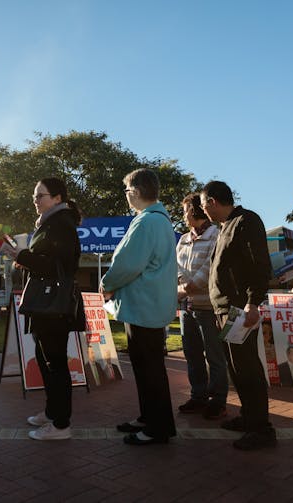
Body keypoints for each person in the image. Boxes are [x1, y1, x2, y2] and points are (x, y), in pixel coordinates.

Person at [0, 177, 85, 440]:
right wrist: (23, 258)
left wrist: (19, 255)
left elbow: (57, 265)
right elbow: (47, 261)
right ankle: (52, 412)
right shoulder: (50, 223)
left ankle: (61, 424)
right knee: (45, 358)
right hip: (45, 303)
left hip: (52, 304)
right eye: (34, 196)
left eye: (40, 196)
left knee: (55, 362)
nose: (35, 201)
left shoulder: (61, 224)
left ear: (57, 198)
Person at [100, 169, 177, 446]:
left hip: (144, 307)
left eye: (126, 190)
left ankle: (158, 427)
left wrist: (107, 283)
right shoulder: (159, 220)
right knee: (147, 367)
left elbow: (128, 264)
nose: (126, 196)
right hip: (150, 306)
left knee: (149, 369)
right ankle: (149, 418)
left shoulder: (147, 222)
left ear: (135, 191)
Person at [201, 180, 276, 451]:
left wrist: (253, 303)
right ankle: (248, 417)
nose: (204, 212)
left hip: (239, 309)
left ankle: (261, 429)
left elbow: (259, 265)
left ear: (212, 201)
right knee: (236, 368)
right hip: (224, 309)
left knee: (248, 369)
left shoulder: (247, 221)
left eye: (204, 206)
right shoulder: (224, 227)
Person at [176, 193, 228, 419]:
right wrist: (182, 284)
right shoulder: (183, 239)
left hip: (209, 307)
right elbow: (176, 264)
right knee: (192, 354)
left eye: (186, 210)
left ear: (196, 210)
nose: (184, 215)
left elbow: (211, 268)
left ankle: (218, 400)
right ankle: (198, 396)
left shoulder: (216, 235)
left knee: (214, 356)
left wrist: (190, 286)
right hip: (187, 307)